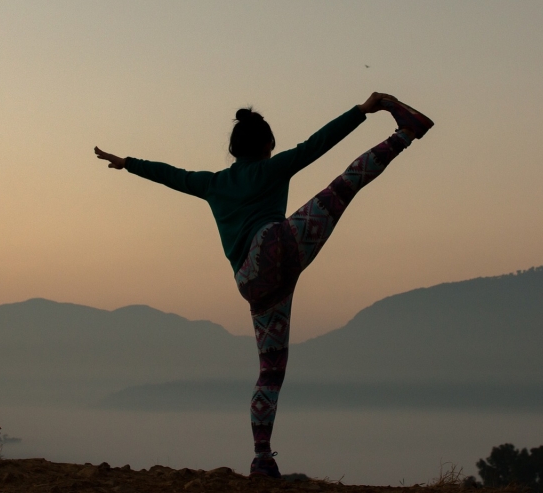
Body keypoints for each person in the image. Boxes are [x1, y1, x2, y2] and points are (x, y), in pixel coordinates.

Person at [94, 93, 433, 478]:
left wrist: (128, 163)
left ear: (233, 150)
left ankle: (261, 458)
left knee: (270, 371)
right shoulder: (273, 168)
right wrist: (362, 111)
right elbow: (318, 143)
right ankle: (405, 134)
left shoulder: (212, 183)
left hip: (254, 284)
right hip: (277, 248)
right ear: (268, 144)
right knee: (343, 187)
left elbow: (172, 175)